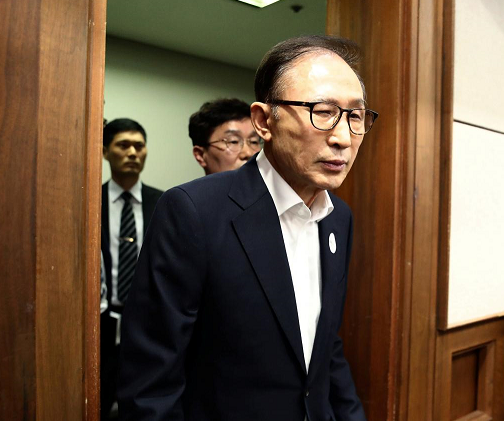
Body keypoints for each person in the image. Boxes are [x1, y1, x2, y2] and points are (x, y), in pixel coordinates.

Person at [118, 35, 378, 421]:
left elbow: (325, 347)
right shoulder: (192, 212)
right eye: (322, 111)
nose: (343, 138)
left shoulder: (339, 217)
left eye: (355, 117)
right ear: (263, 120)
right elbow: (151, 383)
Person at [100, 118, 163, 420]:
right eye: (123, 145)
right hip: (101, 322)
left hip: (148, 323)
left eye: (139, 146)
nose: (133, 153)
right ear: (105, 151)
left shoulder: (164, 203)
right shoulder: (90, 200)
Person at [188, 98, 261, 175]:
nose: (248, 153)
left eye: (254, 142)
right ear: (200, 155)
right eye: (234, 141)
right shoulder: (184, 187)